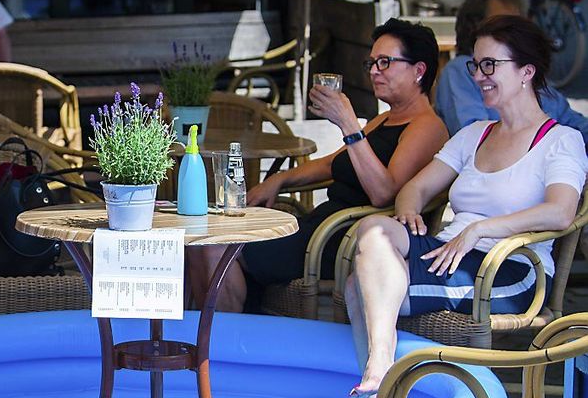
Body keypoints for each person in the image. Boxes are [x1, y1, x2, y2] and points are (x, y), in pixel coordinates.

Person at [345, 15, 588, 398]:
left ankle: (380, 393)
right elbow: (415, 188)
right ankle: (383, 383)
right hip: (449, 252)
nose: (478, 75)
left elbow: (560, 213)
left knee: (359, 288)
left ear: (527, 71)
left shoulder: (561, 141)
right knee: (374, 228)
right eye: (475, 64)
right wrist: (409, 213)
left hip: (507, 268)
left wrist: (480, 230)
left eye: (490, 65)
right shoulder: (475, 132)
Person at [187, 18, 450, 312]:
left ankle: (222, 343)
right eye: (372, 63)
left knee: (213, 246)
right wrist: (281, 179)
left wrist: (349, 124)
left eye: (385, 62)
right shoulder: (385, 119)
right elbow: (331, 164)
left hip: (344, 240)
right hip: (320, 226)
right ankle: (213, 339)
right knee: (203, 238)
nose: (375, 71)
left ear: (419, 70)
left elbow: (384, 193)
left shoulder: (426, 126)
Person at [435, 0, 588, 147]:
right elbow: (472, 140)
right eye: (506, 25)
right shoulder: (461, 71)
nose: (519, 31)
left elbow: (575, 123)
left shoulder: (524, 70)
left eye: (521, 21)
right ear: (478, 27)